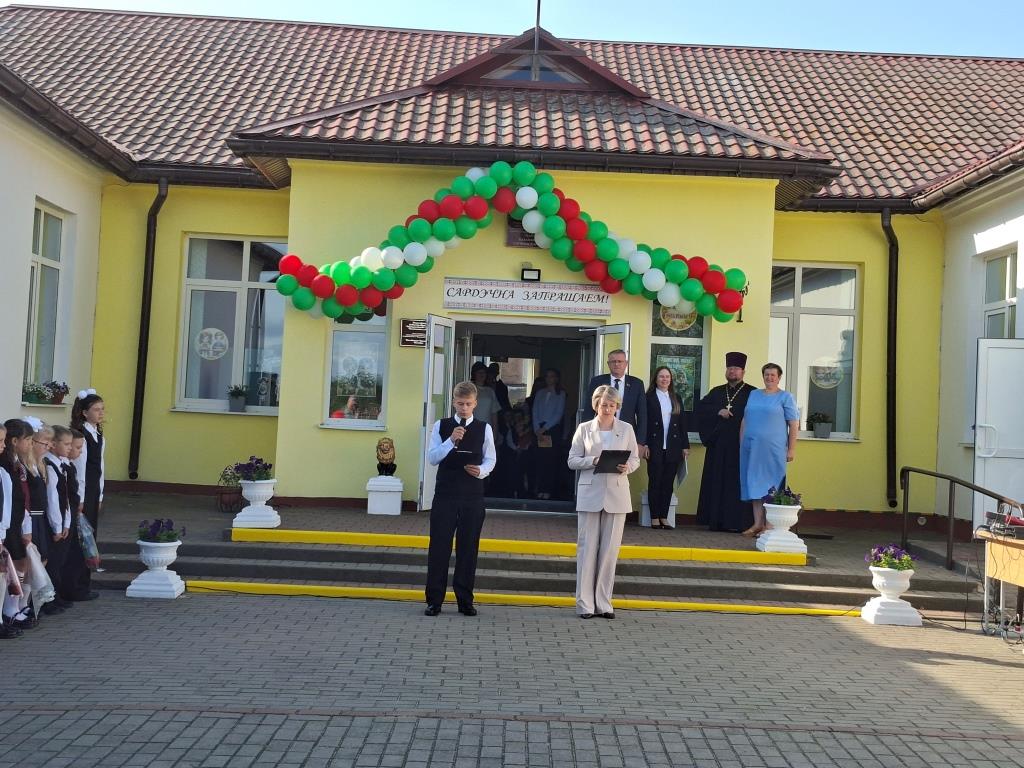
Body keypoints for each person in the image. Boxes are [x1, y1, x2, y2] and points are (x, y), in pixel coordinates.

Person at [567, 384, 640, 619]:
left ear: (617, 406)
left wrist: (627, 467)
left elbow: (635, 459)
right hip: (590, 492)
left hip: (617, 493)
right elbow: (572, 460)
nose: (607, 409)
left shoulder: (627, 429)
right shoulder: (584, 429)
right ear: (595, 405)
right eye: (603, 405)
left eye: (611, 405)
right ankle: (585, 604)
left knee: (609, 551)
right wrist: (592, 460)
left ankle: (604, 603)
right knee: (587, 549)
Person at [424, 381, 496, 617]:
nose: (464, 408)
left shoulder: (484, 428)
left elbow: (491, 459)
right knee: (439, 547)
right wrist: (450, 440)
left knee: (468, 548)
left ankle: (465, 600)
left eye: (468, 404)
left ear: (475, 404)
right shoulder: (441, 425)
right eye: (460, 403)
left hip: (472, 495)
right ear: (453, 402)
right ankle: (434, 600)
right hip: (445, 494)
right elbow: (433, 458)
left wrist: (481, 470)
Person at [695, 353, 757, 532]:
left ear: (743, 372)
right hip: (719, 447)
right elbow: (701, 408)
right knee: (717, 483)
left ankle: (738, 523)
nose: (732, 371)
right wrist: (718, 410)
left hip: (741, 447)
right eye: (730, 368)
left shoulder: (753, 393)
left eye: (736, 369)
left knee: (737, 484)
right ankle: (716, 521)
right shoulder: (717, 392)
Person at [740, 363, 800, 536]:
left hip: (773, 450)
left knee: (770, 485)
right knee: (754, 483)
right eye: (767, 374)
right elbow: (745, 419)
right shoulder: (754, 394)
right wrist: (741, 442)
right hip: (751, 448)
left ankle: (769, 525)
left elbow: (793, 424)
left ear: (779, 378)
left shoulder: (785, 397)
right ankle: (757, 523)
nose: (769, 378)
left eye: (773, 375)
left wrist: (791, 449)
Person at [644, 367, 690, 529]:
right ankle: (654, 517)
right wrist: (644, 444)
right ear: (655, 379)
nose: (664, 379)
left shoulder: (676, 398)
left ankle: (664, 516)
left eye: (667, 377)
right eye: (661, 376)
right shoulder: (648, 397)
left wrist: (685, 446)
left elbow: (682, 423)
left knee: (668, 483)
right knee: (655, 482)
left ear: (671, 380)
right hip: (654, 446)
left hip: (673, 447)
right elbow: (644, 423)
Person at [583, 349, 647, 458]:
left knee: (623, 466)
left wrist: (640, 442)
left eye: (620, 361)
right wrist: (586, 435)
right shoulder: (597, 381)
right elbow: (589, 410)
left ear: (626, 364)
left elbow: (642, 415)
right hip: (600, 433)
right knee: (598, 463)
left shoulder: (637, 384)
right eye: (613, 361)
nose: (616, 364)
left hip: (625, 434)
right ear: (608, 364)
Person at [2, 420, 35, 631]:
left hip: (15, 521)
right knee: (12, 565)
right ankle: (8, 610)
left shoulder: (16, 462)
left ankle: (14, 607)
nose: (31, 444)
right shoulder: (4, 464)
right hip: (7, 524)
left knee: (20, 563)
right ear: (15, 441)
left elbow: (22, 496)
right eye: (28, 439)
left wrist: (25, 524)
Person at [43, 426, 74, 614]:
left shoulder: (62, 465)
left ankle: (56, 596)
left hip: (62, 521)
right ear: (53, 445)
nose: (70, 448)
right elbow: (52, 500)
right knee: (52, 563)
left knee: (59, 561)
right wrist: (57, 527)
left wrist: (67, 522)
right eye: (67, 444)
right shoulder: (49, 466)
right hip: (53, 524)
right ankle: (48, 600)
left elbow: (66, 499)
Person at [531, 368, 566, 500]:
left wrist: (545, 428)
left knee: (550, 461)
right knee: (540, 460)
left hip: (552, 430)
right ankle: (539, 489)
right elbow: (534, 410)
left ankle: (548, 490)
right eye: (547, 376)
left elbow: (558, 414)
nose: (549, 379)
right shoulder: (540, 392)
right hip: (539, 429)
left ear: (556, 378)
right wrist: (537, 428)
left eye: (552, 376)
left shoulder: (561, 394)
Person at [469, 362, 500, 433]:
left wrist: (495, 432)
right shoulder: (469, 389)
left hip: (487, 429)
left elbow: (494, 414)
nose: (481, 374)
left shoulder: (490, 391)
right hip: (471, 429)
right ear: (474, 374)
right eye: (479, 372)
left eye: (483, 372)